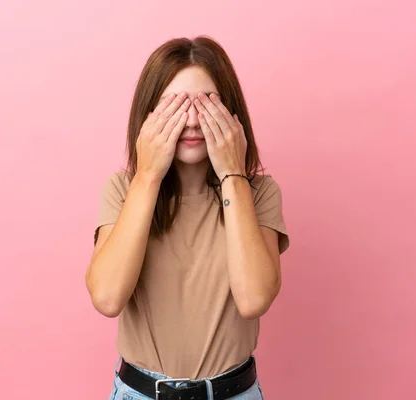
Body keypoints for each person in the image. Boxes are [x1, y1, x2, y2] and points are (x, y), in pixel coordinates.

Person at [86, 36, 290, 400]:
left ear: (231, 112)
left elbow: (254, 299)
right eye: (175, 106)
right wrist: (148, 175)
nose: (193, 121)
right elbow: (106, 298)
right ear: (148, 115)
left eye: (207, 104)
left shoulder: (260, 194)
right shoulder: (122, 189)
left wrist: (232, 174)